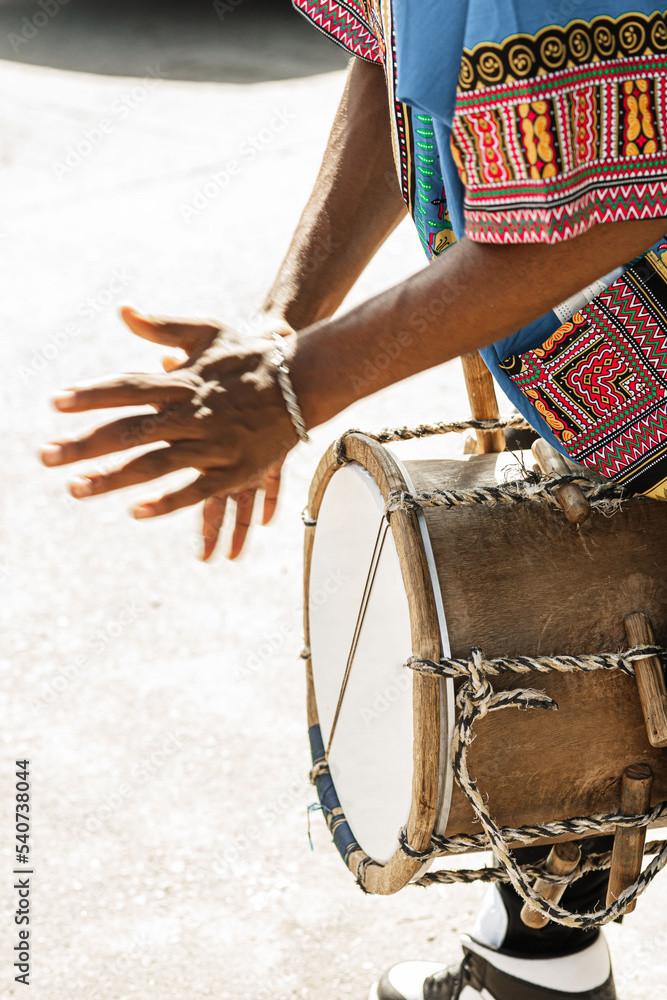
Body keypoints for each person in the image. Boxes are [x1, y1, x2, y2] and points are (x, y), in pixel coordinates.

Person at [41, 1, 667, 997]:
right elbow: (389, 53)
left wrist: (298, 385)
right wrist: (280, 332)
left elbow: (607, 202)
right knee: (589, 644)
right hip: (607, 375)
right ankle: (540, 954)